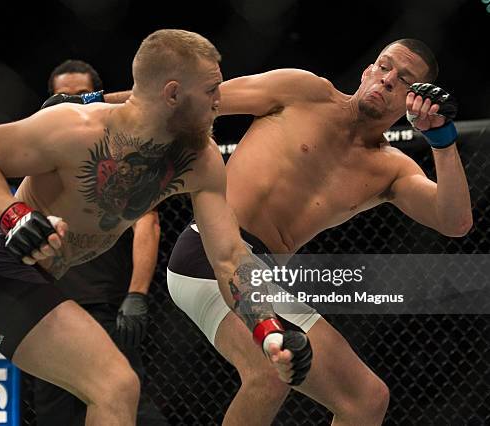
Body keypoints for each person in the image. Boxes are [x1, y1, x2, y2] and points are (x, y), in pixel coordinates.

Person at [0, 29, 310, 425]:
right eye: (212, 90)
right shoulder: (76, 127)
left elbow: (230, 257)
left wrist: (267, 328)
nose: (220, 101)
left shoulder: (200, 159)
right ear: (174, 93)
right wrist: (14, 217)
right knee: (115, 386)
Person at [167, 38, 472, 425]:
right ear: (367, 71)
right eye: (383, 66)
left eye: (405, 78)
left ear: (414, 100)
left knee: (366, 399)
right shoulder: (303, 92)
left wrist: (441, 140)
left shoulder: (391, 169)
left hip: (259, 275)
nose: (388, 79)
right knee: (269, 373)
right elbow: (195, 99)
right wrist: (92, 104)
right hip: (210, 250)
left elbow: (456, 221)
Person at [33, 59, 167, 426]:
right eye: (62, 98)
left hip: (102, 308)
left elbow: (148, 224)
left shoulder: (124, 156)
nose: (73, 104)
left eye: (81, 96)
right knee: (56, 416)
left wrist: (137, 294)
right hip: (45, 308)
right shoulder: (37, 151)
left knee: (128, 405)